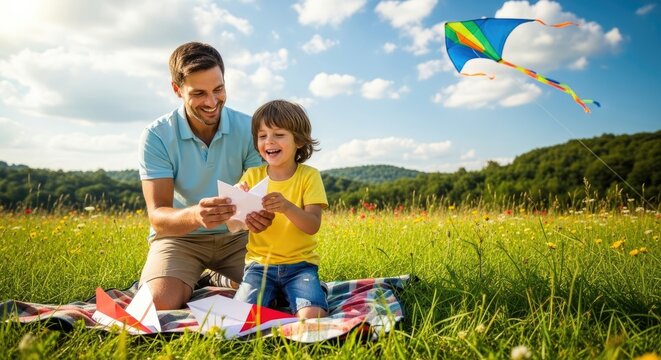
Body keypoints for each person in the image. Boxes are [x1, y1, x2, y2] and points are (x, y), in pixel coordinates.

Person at [137, 42, 274, 310]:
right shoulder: (156, 136)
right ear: (177, 90)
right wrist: (195, 215)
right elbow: (158, 216)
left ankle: (220, 277)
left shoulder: (249, 128)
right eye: (199, 93)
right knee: (156, 305)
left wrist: (259, 211)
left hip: (239, 239)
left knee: (278, 297)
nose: (212, 102)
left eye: (218, 90)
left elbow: (261, 192)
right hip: (181, 238)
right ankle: (189, 276)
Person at [233, 100, 328, 319]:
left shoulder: (309, 176)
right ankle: (277, 295)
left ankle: (313, 291)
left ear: (299, 140)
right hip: (259, 267)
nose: (269, 141)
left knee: (312, 316)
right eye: (262, 135)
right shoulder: (252, 176)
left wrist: (287, 207)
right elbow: (233, 225)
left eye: (278, 134)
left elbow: (313, 225)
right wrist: (239, 202)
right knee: (241, 317)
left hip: (301, 267)